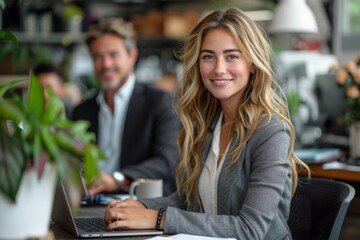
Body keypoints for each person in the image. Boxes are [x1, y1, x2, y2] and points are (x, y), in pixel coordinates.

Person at [104, 7, 310, 239]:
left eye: (232, 56)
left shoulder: (270, 132)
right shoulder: (206, 123)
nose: (218, 68)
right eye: (208, 57)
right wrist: (138, 207)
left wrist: (157, 218)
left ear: (252, 63)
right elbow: (189, 201)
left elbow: (250, 229)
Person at [71, 18, 180, 196]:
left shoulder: (160, 102)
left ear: (132, 56)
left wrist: (117, 178)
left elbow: (167, 161)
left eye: (113, 55)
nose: (106, 64)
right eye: (98, 57)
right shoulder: (82, 111)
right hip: (89, 202)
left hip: (140, 204)